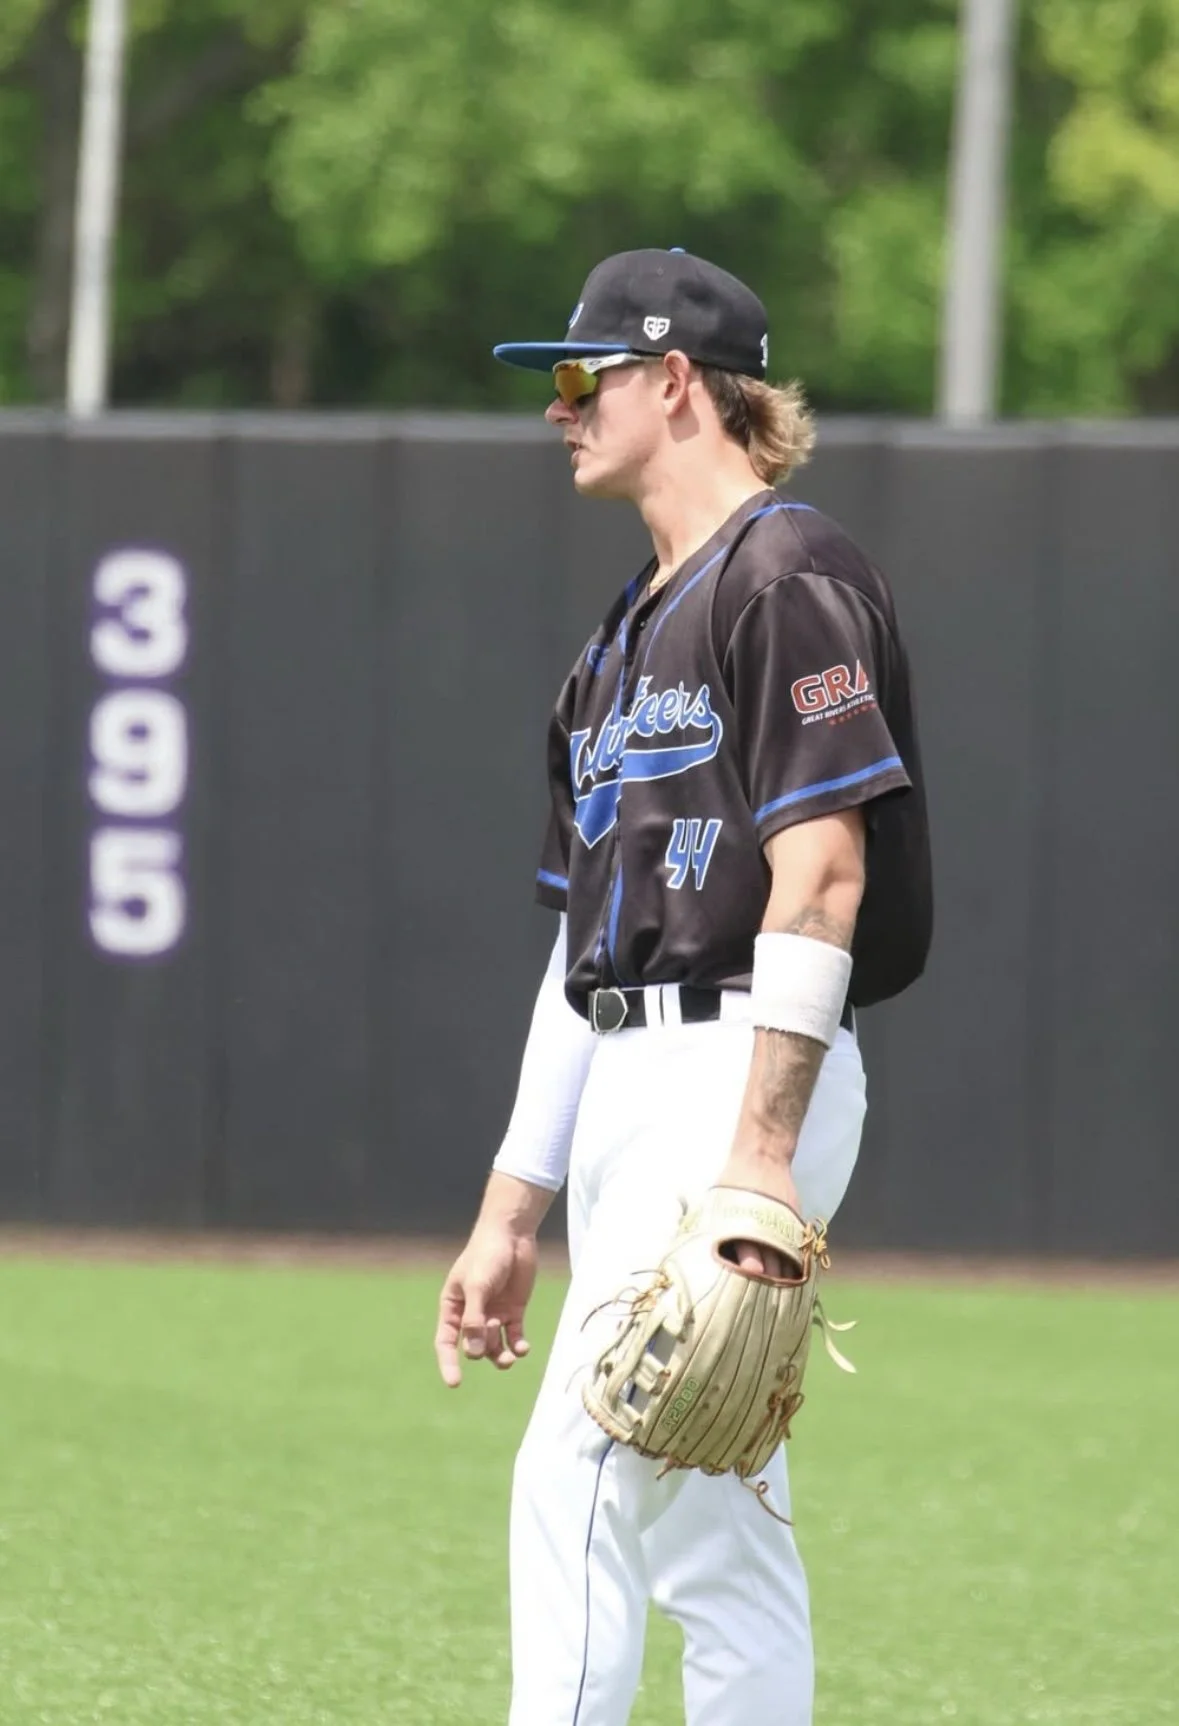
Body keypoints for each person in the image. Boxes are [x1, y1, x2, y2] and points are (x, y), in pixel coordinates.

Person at [434, 247, 932, 1726]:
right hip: (628, 1072)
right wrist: (510, 1212)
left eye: (578, 376)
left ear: (672, 382)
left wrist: (759, 1159)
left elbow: (822, 877)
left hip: (739, 1068)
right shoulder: (616, 642)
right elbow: (577, 951)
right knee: (716, 1520)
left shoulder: (787, 575)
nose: (558, 408)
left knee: (580, 1461)